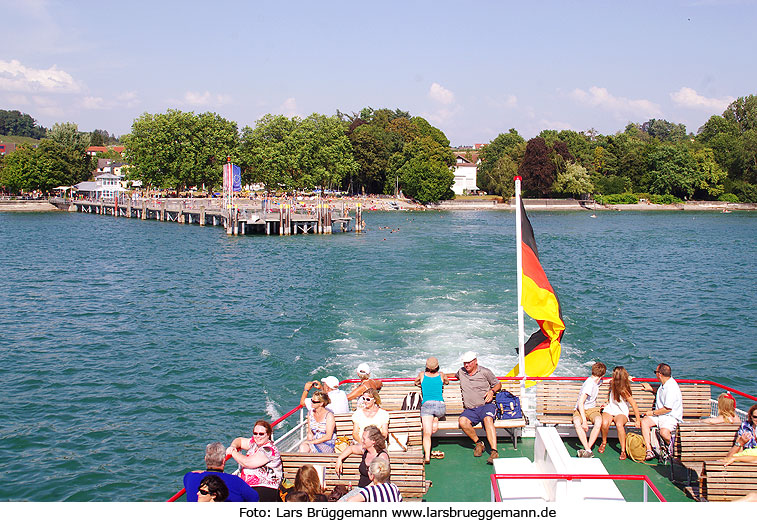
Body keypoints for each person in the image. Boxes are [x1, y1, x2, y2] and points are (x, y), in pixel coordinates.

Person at [455, 351, 501, 464]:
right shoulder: (461, 372)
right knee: (462, 421)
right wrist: (438, 375)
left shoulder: (485, 372)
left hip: (486, 406)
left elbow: (498, 384)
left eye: (469, 363)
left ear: (475, 362)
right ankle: (479, 443)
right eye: (465, 363)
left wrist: (492, 391)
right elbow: (453, 375)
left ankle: (494, 451)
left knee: (488, 420)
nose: (467, 365)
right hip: (470, 409)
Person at [227, 420, 283, 502]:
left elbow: (247, 462)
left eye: (261, 434)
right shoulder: (254, 444)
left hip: (265, 487)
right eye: (255, 433)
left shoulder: (269, 449)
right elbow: (240, 440)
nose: (258, 436)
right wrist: (233, 446)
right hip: (248, 486)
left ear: (268, 434)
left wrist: (232, 452)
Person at [183, 442, 259, 502]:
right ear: (223, 461)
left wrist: (204, 472)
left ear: (205, 459)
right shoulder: (236, 481)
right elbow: (255, 498)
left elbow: (192, 473)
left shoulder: (190, 478)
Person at [640, 363, 683, 461]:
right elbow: (662, 394)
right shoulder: (665, 384)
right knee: (645, 422)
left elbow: (667, 409)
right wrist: (651, 389)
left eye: (655, 372)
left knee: (664, 432)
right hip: (661, 416)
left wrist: (652, 413)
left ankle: (673, 449)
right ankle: (649, 450)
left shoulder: (671, 387)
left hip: (671, 417)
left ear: (660, 374)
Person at [599, 366, 641, 460]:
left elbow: (634, 404)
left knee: (619, 424)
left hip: (621, 411)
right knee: (605, 423)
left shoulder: (623, 390)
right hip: (610, 408)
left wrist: (638, 420)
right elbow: (601, 381)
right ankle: (604, 442)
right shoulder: (613, 382)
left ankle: (623, 450)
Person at [335, 425, 389, 499]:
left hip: (373, 491)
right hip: (360, 489)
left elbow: (380, 481)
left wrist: (360, 495)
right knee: (340, 502)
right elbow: (351, 448)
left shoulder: (382, 457)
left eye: (364, 439)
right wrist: (339, 459)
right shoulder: (365, 451)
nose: (361, 440)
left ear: (373, 441)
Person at [414, 356, 449, 463]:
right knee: (437, 414)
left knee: (427, 433)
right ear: (437, 366)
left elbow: (416, 382)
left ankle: (427, 456)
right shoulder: (441, 375)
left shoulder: (421, 375)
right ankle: (436, 419)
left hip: (427, 406)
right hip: (440, 406)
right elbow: (447, 382)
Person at [573, 362, 606, 458]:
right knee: (577, 422)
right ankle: (587, 449)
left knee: (599, 421)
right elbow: (580, 403)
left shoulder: (596, 381)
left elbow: (604, 381)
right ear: (602, 374)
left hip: (592, 409)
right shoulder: (589, 385)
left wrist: (617, 378)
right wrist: (584, 421)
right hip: (580, 409)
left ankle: (587, 449)